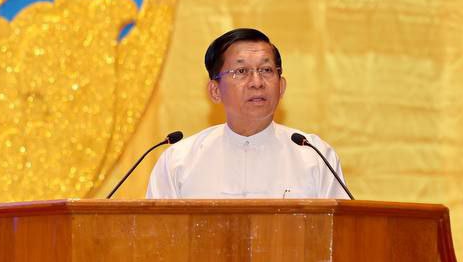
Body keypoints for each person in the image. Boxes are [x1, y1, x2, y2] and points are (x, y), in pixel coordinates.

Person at [146, 28, 350, 199]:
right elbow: (154, 232)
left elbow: (342, 229)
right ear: (215, 91)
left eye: (266, 70)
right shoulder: (178, 162)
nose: (257, 82)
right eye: (241, 71)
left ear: (281, 87)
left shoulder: (314, 156)